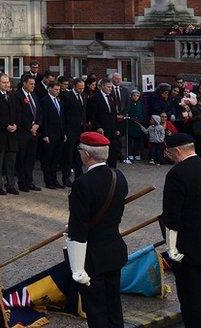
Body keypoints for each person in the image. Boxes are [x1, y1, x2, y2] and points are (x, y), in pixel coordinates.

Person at [161, 133, 201, 328]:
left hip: (188, 247)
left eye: (169, 153)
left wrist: (171, 249)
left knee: (191, 301)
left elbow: (171, 217)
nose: (168, 156)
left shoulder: (176, 174)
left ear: (178, 151)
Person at [66, 131, 128, 328]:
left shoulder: (82, 184)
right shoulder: (119, 176)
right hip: (114, 249)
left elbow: (78, 227)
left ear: (86, 154)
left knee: (96, 310)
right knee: (114, 306)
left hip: (92, 256)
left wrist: (77, 268)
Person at [0, 74, 20, 195]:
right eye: (4, 82)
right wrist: (6, 125)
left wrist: (16, 124)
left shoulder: (12, 96)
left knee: (11, 162)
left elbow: (17, 112)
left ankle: (10, 184)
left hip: (12, 135)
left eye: (8, 82)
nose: (7, 84)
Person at [15, 74, 42, 192]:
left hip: (34, 133)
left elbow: (40, 112)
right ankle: (22, 182)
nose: (33, 86)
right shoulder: (17, 96)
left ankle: (29, 181)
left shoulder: (34, 95)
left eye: (34, 84)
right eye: (31, 84)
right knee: (22, 158)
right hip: (23, 133)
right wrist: (30, 127)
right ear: (24, 83)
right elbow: (19, 115)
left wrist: (37, 125)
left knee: (31, 159)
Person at [88, 79, 122, 167]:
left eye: (111, 87)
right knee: (101, 154)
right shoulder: (95, 98)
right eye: (108, 87)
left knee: (113, 153)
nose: (110, 89)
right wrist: (98, 127)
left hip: (112, 130)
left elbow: (114, 114)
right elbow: (92, 115)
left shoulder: (112, 97)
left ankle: (112, 171)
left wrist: (117, 128)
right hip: (102, 130)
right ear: (102, 86)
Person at [61, 78, 88, 185]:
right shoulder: (67, 96)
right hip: (70, 130)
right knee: (68, 155)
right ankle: (66, 177)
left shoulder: (84, 96)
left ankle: (79, 176)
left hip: (80, 130)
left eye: (82, 88)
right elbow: (64, 114)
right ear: (74, 86)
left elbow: (83, 111)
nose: (81, 90)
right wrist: (65, 131)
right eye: (79, 88)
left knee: (79, 154)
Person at [37, 82, 64, 189]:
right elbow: (43, 119)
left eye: (59, 89)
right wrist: (45, 134)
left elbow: (61, 117)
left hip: (58, 134)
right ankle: (48, 181)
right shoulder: (45, 101)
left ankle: (54, 179)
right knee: (48, 159)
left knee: (55, 159)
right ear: (50, 89)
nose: (58, 91)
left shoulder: (58, 100)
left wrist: (63, 133)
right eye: (56, 89)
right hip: (49, 134)